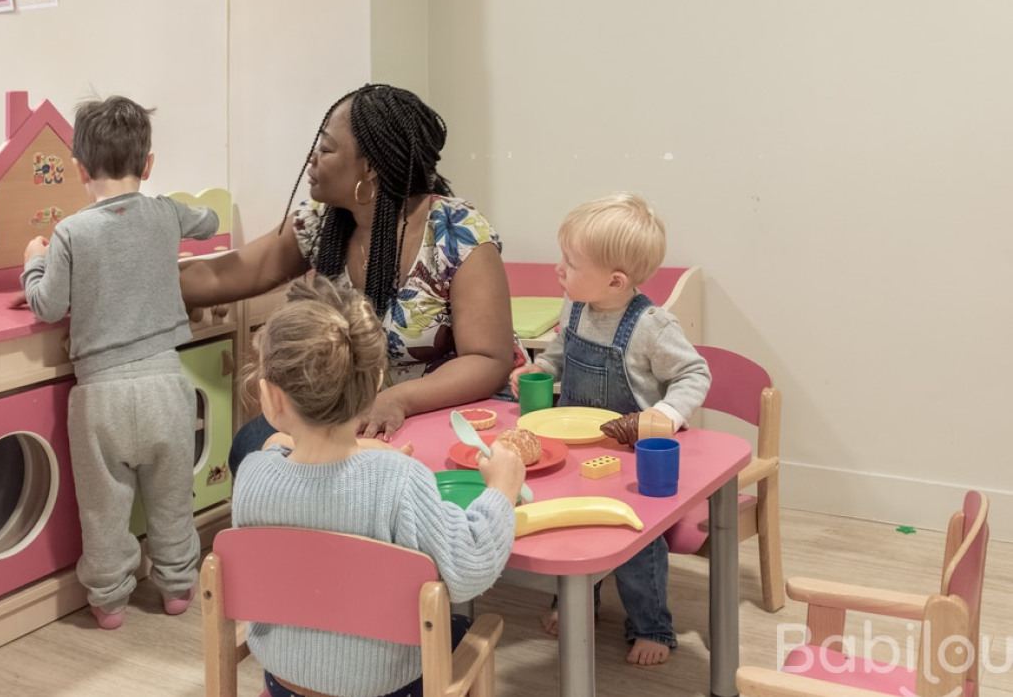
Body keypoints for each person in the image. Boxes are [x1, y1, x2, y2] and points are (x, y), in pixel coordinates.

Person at [180, 84, 518, 478]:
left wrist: (398, 399)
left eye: (325, 149)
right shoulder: (320, 223)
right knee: (253, 445)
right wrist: (125, 266)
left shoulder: (456, 233)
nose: (311, 159)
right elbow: (227, 275)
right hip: (349, 419)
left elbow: (488, 360)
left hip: (447, 416)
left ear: (369, 167)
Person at [232, 275, 524, 697]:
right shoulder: (400, 483)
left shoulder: (254, 477)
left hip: (286, 681)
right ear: (375, 384)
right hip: (389, 687)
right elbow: (469, 567)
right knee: (466, 630)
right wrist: (501, 490)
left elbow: (283, 452)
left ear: (272, 398)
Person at [20, 96, 219, 630]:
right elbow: (211, 219)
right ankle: (177, 586)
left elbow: (48, 305)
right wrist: (178, 227)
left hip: (100, 397)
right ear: (148, 164)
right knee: (172, 498)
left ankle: (108, 601)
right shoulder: (167, 213)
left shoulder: (70, 234)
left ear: (80, 169)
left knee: (103, 509)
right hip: (164, 388)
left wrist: (32, 263)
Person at [510, 193, 711, 666]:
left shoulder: (650, 325)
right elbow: (562, 352)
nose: (559, 269)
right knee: (573, 526)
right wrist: (540, 370)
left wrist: (665, 414)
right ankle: (577, 600)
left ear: (615, 280)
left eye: (571, 262)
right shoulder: (575, 305)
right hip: (573, 447)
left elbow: (694, 374)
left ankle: (651, 627)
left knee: (636, 546)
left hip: (627, 457)